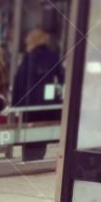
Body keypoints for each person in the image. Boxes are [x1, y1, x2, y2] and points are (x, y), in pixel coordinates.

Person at [12, 29, 64, 161]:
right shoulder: (52, 56)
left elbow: (19, 81)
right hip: (47, 103)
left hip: (29, 102)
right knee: (41, 132)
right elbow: (61, 78)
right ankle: (37, 156)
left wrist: (16, 103)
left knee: (29, 132)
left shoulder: (28, 58)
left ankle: (30, 157)